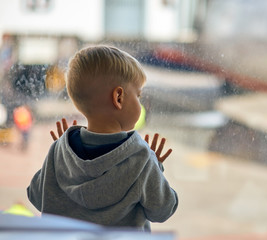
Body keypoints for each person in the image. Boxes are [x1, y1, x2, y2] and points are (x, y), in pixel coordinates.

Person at [27, 45, 178, 231]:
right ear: (119, 97)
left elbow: (35, 195)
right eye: (138, 95)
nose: (140, 103)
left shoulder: (59, 151)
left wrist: (62, 152)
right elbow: (163, 210)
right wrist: (156, 166)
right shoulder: (141, 159)